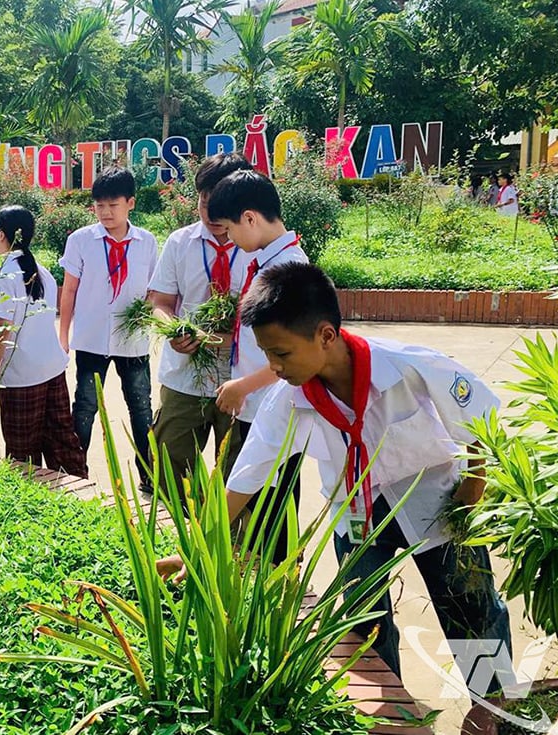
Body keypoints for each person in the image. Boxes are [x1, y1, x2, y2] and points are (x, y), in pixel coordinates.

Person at [163, 261, 513, 695]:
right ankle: (393, 712)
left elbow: (483, 417)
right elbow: (243, 480)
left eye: (282, 353)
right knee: (363, 617)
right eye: (267, 354)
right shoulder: (287, 400)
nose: (273, 366)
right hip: (355, 510)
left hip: (436, 501)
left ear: (326, 335)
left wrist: (472, 487)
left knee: (467, 605)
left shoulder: (409, 367)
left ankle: (494, 705)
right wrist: (199, 547)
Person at [206, 169, 308, 562]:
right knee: (260, 498)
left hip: (275, 406)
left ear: (250, 218)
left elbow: (296, 356)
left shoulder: (289, 272)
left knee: (274, 504)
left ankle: (279, 579)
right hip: (260, 404)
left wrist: (242, 386)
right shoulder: (267, 262)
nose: (229, 238)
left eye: (230, 228)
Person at [146, 152, 256, 494]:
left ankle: (233, 547)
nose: (209, 214)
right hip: (185, 379)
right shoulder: (180, 243)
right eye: (203, 202)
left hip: (243, 381)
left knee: (240, 477)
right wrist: (174, 330)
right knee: (169, 469)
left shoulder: (260, 248)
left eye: (218, 204)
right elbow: (159, 303)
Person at [58, 167, 159, 488]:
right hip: (91, 340)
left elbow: (154, 292)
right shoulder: (81, 240)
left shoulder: (147, 242)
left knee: (141, 409)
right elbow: (70, 290)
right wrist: (64, 335)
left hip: (134, 342)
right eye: (99, 206)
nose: (105, 213)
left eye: (113, 205)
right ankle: (75, 471)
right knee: (85, 407)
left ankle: (149, 475)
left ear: (131, 203)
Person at [0, 205, 88, 478]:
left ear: (0, 235)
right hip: (52, 368)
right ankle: (79, 492)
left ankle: (29, 502)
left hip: (22, 376)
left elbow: (2, 332)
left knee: (22, 449)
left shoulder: (7, 275)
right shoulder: (41, 270)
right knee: (61, 439)